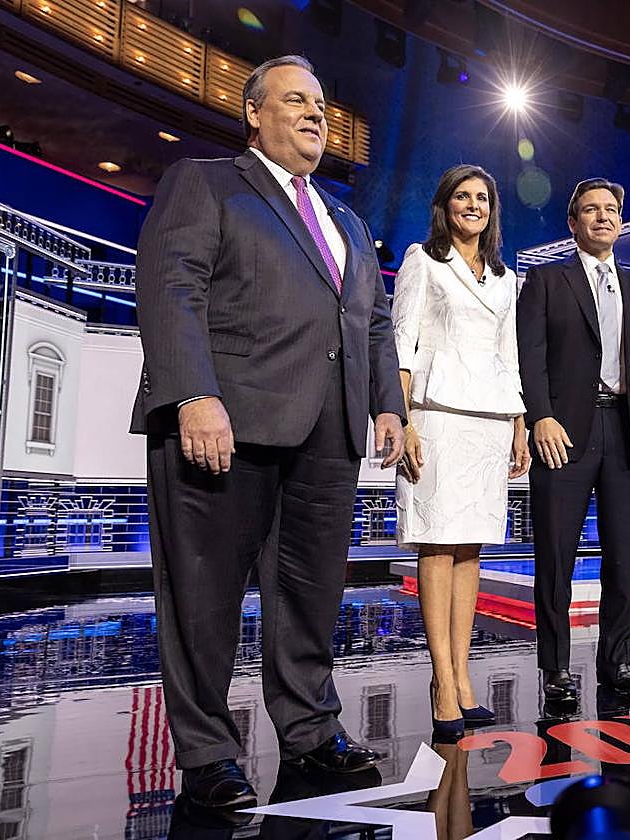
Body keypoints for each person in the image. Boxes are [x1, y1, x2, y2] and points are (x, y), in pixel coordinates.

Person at [131, 55, 405, 808]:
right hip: (226, 418)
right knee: (204, 593)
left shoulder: (346, 218)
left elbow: (373, 323)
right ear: (254, 112)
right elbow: (169, 287)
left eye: (321, 102)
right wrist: (193, 395)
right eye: (296, 100)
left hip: (329, 431)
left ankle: (312, 731)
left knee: (311, 594)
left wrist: (387, 403)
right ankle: (208, 751)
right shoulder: (208, 182)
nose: (316, 113)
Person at [517, 177, 630, 703]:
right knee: (556, 557)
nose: (602, 217)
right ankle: (556, 670)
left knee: (623, 557)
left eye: (611, 209)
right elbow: (530, 358)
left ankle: (618, 663)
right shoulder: (544, 282)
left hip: (628, 432)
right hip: (563, 433)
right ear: (573, 222)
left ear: (620, 221)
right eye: (590, 209)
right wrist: (539, 415)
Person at [391, 165, 530, 740]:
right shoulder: (422, 260)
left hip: (491, 420)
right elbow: (403, 340)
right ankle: (441, 682)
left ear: (492, 210)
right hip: (436, 414)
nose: (472, 205)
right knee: (437, 542)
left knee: (470, 547)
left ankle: (464, 680)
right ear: (444, 205)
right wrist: (403, 422)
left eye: (482, 198)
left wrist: (520, 424)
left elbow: (509, 353)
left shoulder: (506, 277)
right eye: (462, 196)